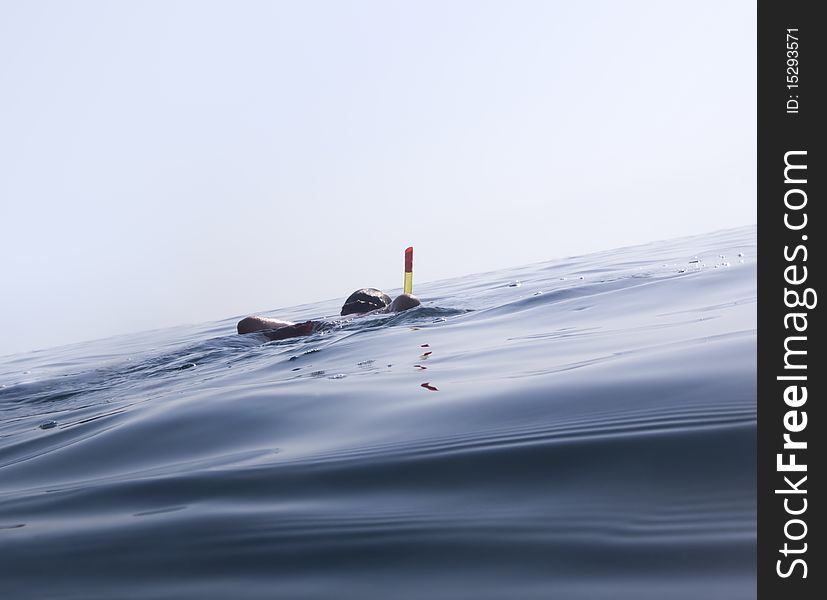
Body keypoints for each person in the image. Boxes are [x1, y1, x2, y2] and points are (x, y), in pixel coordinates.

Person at [237, 288, 421, 340]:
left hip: (314, 328)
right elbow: (407, 300)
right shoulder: (376, 314)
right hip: (335, 333)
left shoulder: (321, 322)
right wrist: (388, 313)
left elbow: (247, 324)